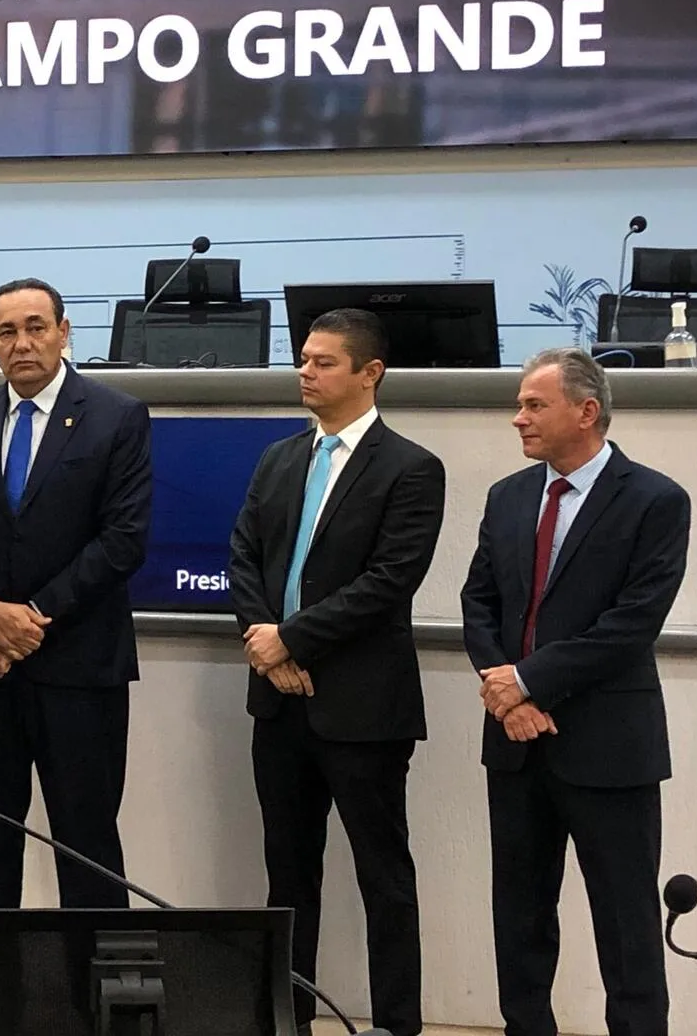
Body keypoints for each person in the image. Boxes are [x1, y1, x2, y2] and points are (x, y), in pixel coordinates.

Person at [460, 348, 691, 1036]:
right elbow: (478, 602)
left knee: (625, 926)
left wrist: (528, 681)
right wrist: (508, 694)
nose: (517, 419)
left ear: (586, 412)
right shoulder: (507, 496)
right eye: (519, 404)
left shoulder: (654, 499)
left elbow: (630, 624)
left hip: (606, 748)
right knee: (520, 917)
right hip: (513, 743)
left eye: (534, 406)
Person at [229, 307, 446, 1036]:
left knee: (383, 877)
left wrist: (290, 641)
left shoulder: (411, 468)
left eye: (323, 362)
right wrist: (267, 648)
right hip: (279, 706)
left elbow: (388, 581)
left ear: (368, 373)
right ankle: (285, 1018)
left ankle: (396, 1025)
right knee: (288, 879)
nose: (305, 372)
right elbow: (244, 560)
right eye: (303, 360)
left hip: (361, 709)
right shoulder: (279, 459)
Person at [0, 278, 152, 909]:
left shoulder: (116, 416)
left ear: (64, 332)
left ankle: (100, 1003)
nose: (23, 343)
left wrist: (27, 623)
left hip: (79, 671)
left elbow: (122, 542)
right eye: (7, 332)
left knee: (87, 849)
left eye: (36, 327)